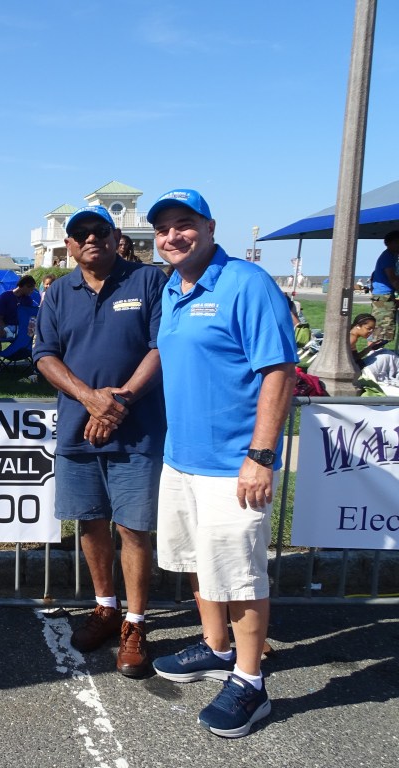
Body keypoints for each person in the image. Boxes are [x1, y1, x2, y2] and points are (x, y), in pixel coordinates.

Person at [147, 189, 296, 739]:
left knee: (240, 574)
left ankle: (250, 682)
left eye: (184, 224)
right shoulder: (173, 287)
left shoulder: (246, 283)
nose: (173, 236)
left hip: (234, 463)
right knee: (198, 561)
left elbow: (278, 370)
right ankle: (216, 646)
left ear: (210, 227)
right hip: (182, 458)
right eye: (163, 229)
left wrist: (260, 456)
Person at [32, 205, 166, 678]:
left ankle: (135, 623)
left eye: (100, 230)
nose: (91, 238)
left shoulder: (148, 281)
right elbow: (44, 354)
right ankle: (106, 607)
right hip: (77, 429)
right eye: (81, 233)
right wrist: (91, 399)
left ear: (115, 237)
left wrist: (119, 401)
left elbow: (161, 348)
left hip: (138, 430)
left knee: (133, 528)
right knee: (90, 523)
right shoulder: (58, 292)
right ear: (69, 244)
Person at [369, 231, 399, 347]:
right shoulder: (387, 257)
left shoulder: (392, 256)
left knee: (384, 331)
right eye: (397, 242)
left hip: (385, 296)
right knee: (382, 333)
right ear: (388, 243)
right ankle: (373, 353)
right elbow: (392, 279)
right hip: (383, 297)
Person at [0, 275, 37, 342]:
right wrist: (7, 330)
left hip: (22, 328)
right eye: (31, 289)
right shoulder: (5, 296)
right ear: (25, 286)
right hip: (7, 326)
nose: (32, 292)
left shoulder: (28, 300)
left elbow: (29, 318)